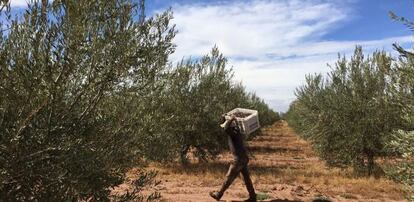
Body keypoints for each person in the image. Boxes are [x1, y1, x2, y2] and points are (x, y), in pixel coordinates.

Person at [209, 114, 256, 202]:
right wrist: (229, 119)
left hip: (238, 159)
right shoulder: (237, 130)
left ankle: (219, 194)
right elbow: (228, 126)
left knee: (229, 177)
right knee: (247, 179)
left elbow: (226, 128)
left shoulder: (232, 132)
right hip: (244, 158)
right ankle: (253, 197)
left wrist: (231, 119)